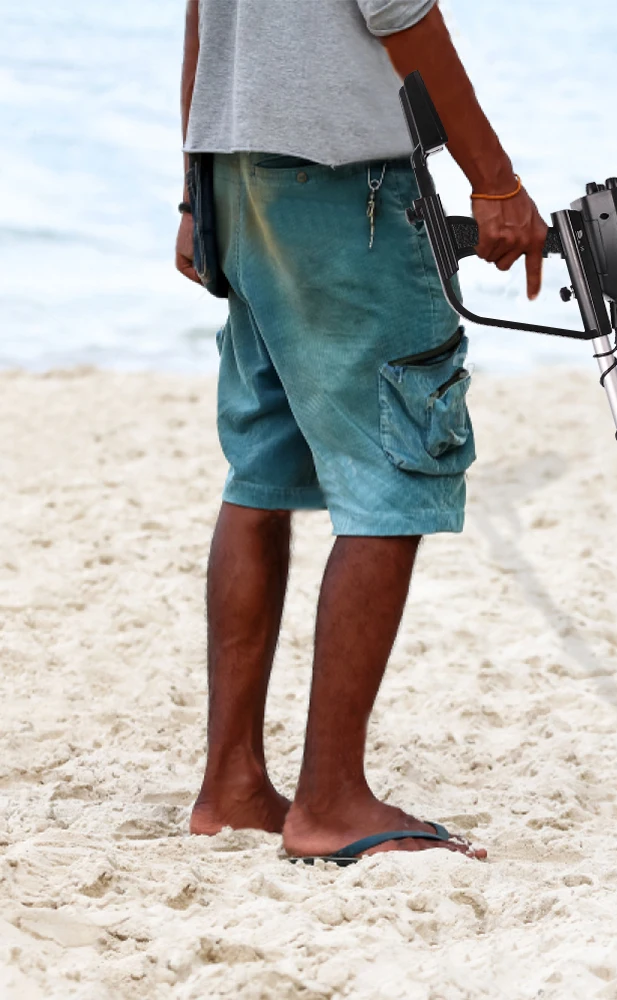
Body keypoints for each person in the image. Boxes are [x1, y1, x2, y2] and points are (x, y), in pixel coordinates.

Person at [175, 0, 547, 862]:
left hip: (236, 178)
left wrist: (193, 194)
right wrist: (496, 183)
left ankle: (231, 786)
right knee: (395, 470)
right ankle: (331, 801)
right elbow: (402, 14)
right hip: (347, 190)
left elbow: (202, 18)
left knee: (261, 472)